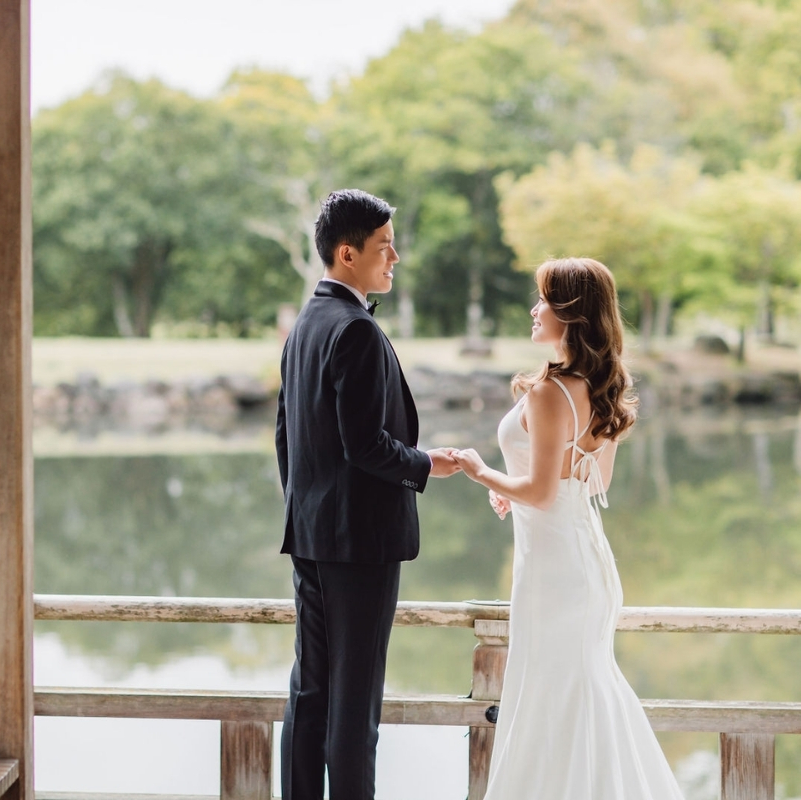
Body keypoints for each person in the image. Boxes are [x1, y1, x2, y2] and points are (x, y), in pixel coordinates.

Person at [451, 257, 684, 799]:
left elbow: (541, 490)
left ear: (572, 313)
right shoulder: (595, 387)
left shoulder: (549, 392)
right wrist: (520, 494)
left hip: (556, 574)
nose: (535, 310)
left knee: (555, 699)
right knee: (575, 695)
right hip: (582, 564)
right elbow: (588, 480)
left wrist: (480, 470)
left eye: (545, 300)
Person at [275, 189, 461, 800]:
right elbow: (365, 444)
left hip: (312, 535)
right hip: (357, 544)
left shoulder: (306, 322)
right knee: (355, 705)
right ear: (348, 253)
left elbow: (287, 438)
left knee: (310, 691)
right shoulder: (353, 328)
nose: (395, 257)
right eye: (385, 246)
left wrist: (308, 511)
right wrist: (426, 464)